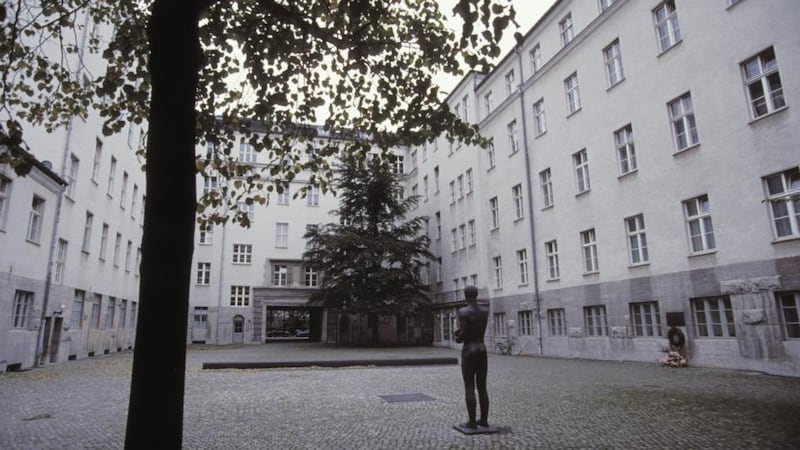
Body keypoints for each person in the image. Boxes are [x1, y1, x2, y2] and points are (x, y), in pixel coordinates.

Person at [455, 285, 489, 429]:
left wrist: (457, 336)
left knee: (469, 386)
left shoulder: (463, 311)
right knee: (482, 387)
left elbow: (463, 334)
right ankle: (484, 420)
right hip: (482, 348)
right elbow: (478, 329)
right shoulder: (484, 311)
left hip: (469, 349)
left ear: (465, 295)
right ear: (476, 295)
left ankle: (472, 422)